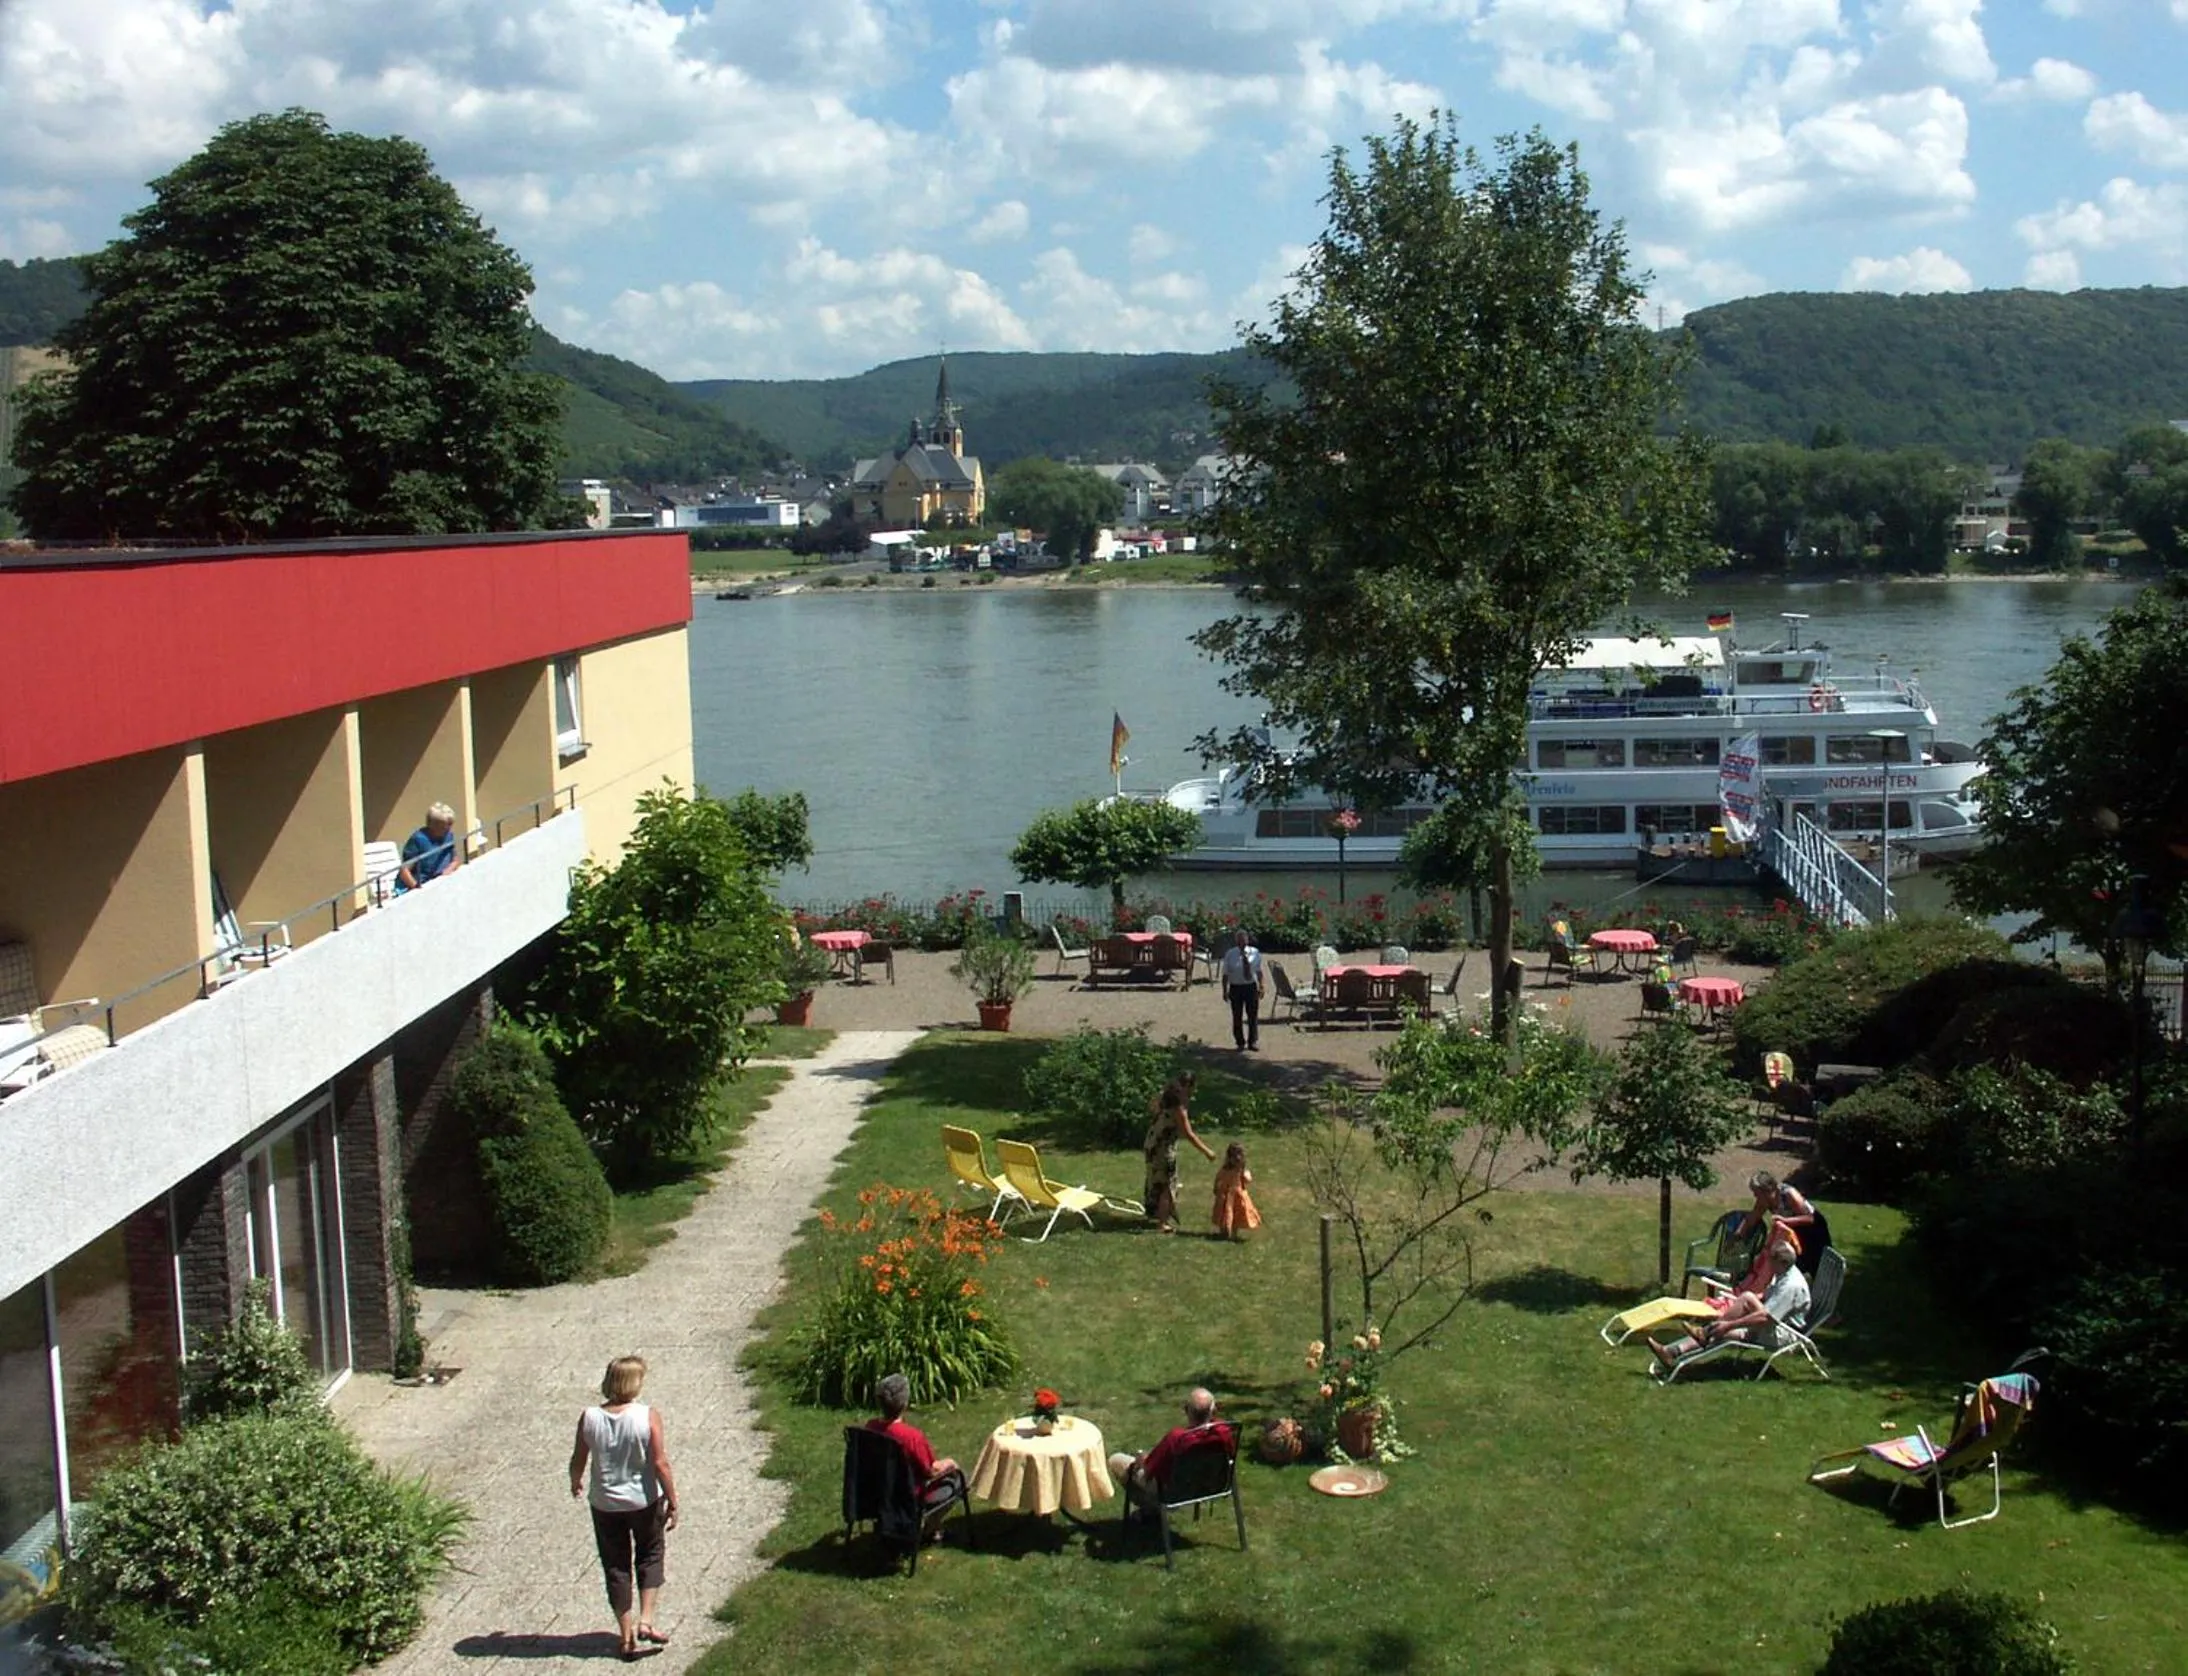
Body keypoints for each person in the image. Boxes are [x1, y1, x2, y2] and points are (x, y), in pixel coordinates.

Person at [569, 1355, 679, 1662]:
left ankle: (626, 1634)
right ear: (634, 1383)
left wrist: (575, 1480)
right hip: (644, 1500)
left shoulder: (589, 1417)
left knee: (615, 1565)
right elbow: (660, 1462)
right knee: (650, 1553)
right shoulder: (647, 1415)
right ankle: (647, 1619)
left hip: (605, 1502)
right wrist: (673, 1499)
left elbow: (579, 1457)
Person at [1647, 1239, 1810, 1370]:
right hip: (1773, 1326)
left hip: (1783, 1335)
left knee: (1741, 1306)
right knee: (1726, 1323)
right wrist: (1738, 1305)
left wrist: (1730, 1324)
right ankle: (1673, 1351)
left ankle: (1701, 1335)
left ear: (1781, 1262)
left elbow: (1767, 1318)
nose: (1768, 1264)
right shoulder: (1785, 1273)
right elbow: (1767, 1297)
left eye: (1771, 1260)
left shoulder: (1791, 1286)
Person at [866, 1372, 967, 1535]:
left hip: (880, 1491)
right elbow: (931, 1471)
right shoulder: (911, 1437)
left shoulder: (870, 1428)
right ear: (904, 1403)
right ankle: (931, 1527)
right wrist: (950, 1463)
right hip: (910, 1495)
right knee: (960, 1479)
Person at [1107, 1387, 1236, 1514]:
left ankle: (1151, 1510)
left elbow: (1149, 1470)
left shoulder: (1177, 1438)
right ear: (1214, 1410)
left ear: (1186, 1410)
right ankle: (1150, 1512)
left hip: (1174, 1491)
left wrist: (1141, 1460)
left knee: (1116, 1460)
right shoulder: (1224, 1432)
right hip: (1213, 1485)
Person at [1144, 1073, 1215, 1233]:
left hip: (1151, 1143)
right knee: (1166, 1185)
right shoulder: (1178, 1108)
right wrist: (1207, 1152)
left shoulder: (1164, 1098)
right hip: (1163, 1148)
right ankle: (1162, 1223)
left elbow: (1151, 1107)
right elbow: (1188, 1134)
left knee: (1155, 1180)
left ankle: (1154, 1213)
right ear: (1187, 1087)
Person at [1737, 1171, 1833, 1275]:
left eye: (1756, 1192)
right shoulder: (1764, 1201)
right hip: (1795, 1230)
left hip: (1814, 1230)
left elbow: (1810, 1218)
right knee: (1796, 1265)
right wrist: (1738, 1234)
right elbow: (1752, 1217)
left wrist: (1785, 1221)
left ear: (1766, 1191)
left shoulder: (1788, 1194)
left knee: (1819, 1265)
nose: (1755, 1196)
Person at [1218, 928, 1267, 1051]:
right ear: (1236, 941)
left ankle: (1252, 1041)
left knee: (1252, 1015)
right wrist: (1224, 990)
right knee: (1237, 1016)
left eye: (1244, 940)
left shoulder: (1255, 953)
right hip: (1236, 987)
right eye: (1240, 940)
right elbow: (1225, 974)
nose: (1242, 942)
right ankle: (1240, 1042)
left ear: (1247, 940)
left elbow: (1259, 971)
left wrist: (1261, 986)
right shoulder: (1230, 954)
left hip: (1250, 986)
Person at [397, 800, 463, 892]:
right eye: (444, 827)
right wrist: (417, 889)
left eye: (450, 825)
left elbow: (455, 860)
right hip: (423, 885)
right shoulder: (418, 839)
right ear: (432, 825)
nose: (448, 829)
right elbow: (404, 871)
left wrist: (448, 871)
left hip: (442, 882)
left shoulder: (449, 836)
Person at [1211, 1142, 1261, 1240]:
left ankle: (1232, 1232)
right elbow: (1218, 1178)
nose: (1237, 1159)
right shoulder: (1225, 1169)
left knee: (1236, 1213)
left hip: (1236, 1195)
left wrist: (1245, 1174)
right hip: (1226, 1195)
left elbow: (1246, 1180)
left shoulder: (1240, 1170)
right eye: (1234, 1156)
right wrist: (1216, 1187)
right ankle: (1224, 1231)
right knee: (1224, 1213)